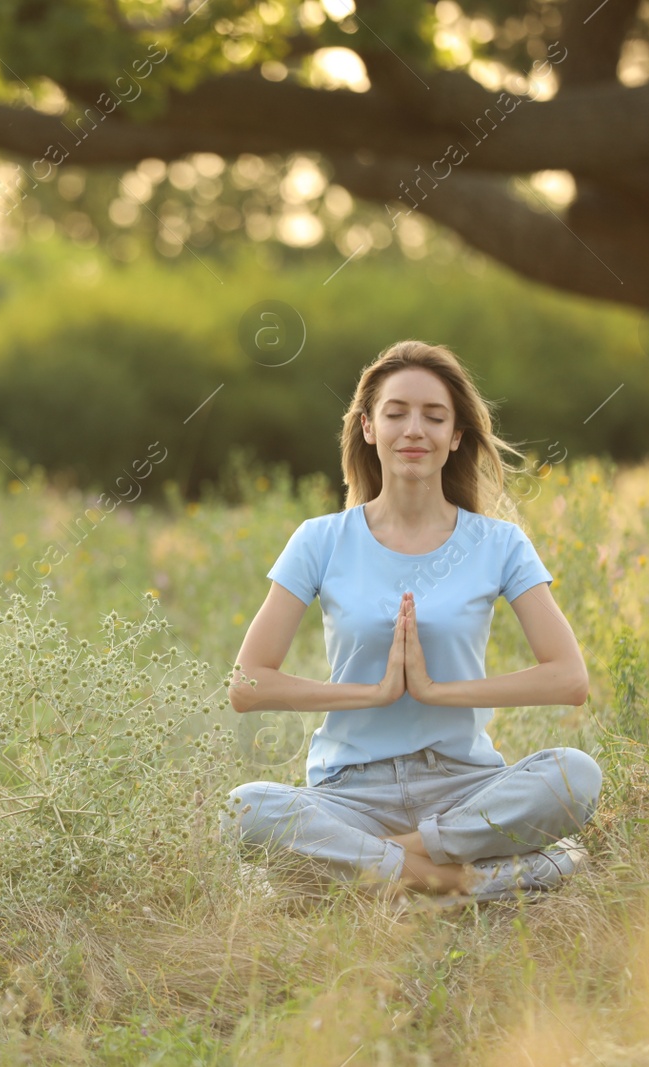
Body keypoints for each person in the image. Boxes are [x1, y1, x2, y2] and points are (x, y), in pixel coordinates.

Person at [221, 339, 602, 903]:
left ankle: (372, 868)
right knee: (245, 810)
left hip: (462, 786)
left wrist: (434, 691)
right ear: (369, 428)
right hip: (350, 793)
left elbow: (569, 679)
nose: (414, 430)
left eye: (434, 416)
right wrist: (373, 694)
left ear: (456, 437)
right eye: (395, 413)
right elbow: (247, 685)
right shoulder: (320, 540)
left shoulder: (498, 543)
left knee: (575, 776)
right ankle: (468, 880)